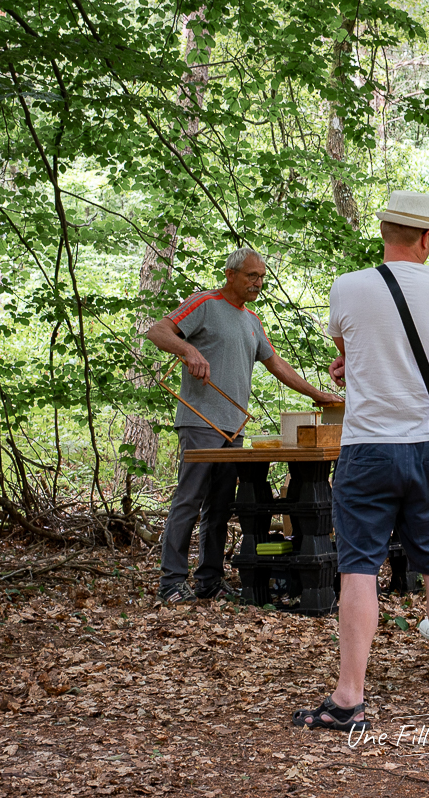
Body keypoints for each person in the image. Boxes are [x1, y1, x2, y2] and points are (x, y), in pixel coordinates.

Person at [292, 191, 429, 732]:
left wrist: (350, 366)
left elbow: (349, 353)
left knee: (358, 570)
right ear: (426, 238)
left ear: (385, 232)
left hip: (368, 447)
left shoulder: (349, 286)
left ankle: (350, 698)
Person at [148, 247, 341, 605]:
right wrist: (188, 351)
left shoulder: (252, 321)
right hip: (200, 421)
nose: (258, 283)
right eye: (252, 276)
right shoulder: (204, 304)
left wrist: (318, 394)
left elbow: (276, 364)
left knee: (220, 505)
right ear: (230, 274)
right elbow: (158, 330)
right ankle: (171, 582)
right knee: (189, 500)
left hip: (232, 428)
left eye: (262, 277)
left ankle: (209, 580)